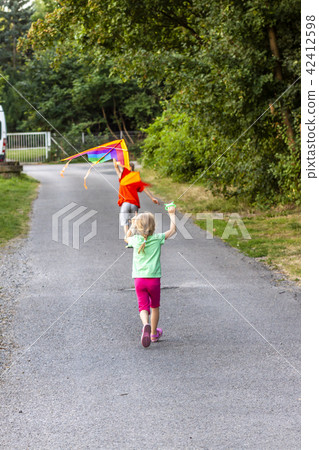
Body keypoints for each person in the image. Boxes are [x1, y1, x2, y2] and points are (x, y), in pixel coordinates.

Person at [124, 206, 176, 347]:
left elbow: (126, 238)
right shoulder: (158, 238)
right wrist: (171, 214)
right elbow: (172, 230)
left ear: (139, 227)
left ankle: (145, 323)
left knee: (143, 307)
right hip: (154, 280)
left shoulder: (135, 240)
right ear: (154, 226)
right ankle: (153, 334)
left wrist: (132, 224)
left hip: (139, 280)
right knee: (154, 306)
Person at [113, 159, 159, 235]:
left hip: (125, 204)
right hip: (134, 204)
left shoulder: (122, 177)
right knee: (135, 223)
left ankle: (128, 239)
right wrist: (152, 198)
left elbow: (116, 167)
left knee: (125, 222)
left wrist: (114, 156)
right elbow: (144, 189)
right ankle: (135, 239)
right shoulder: (135, 179)